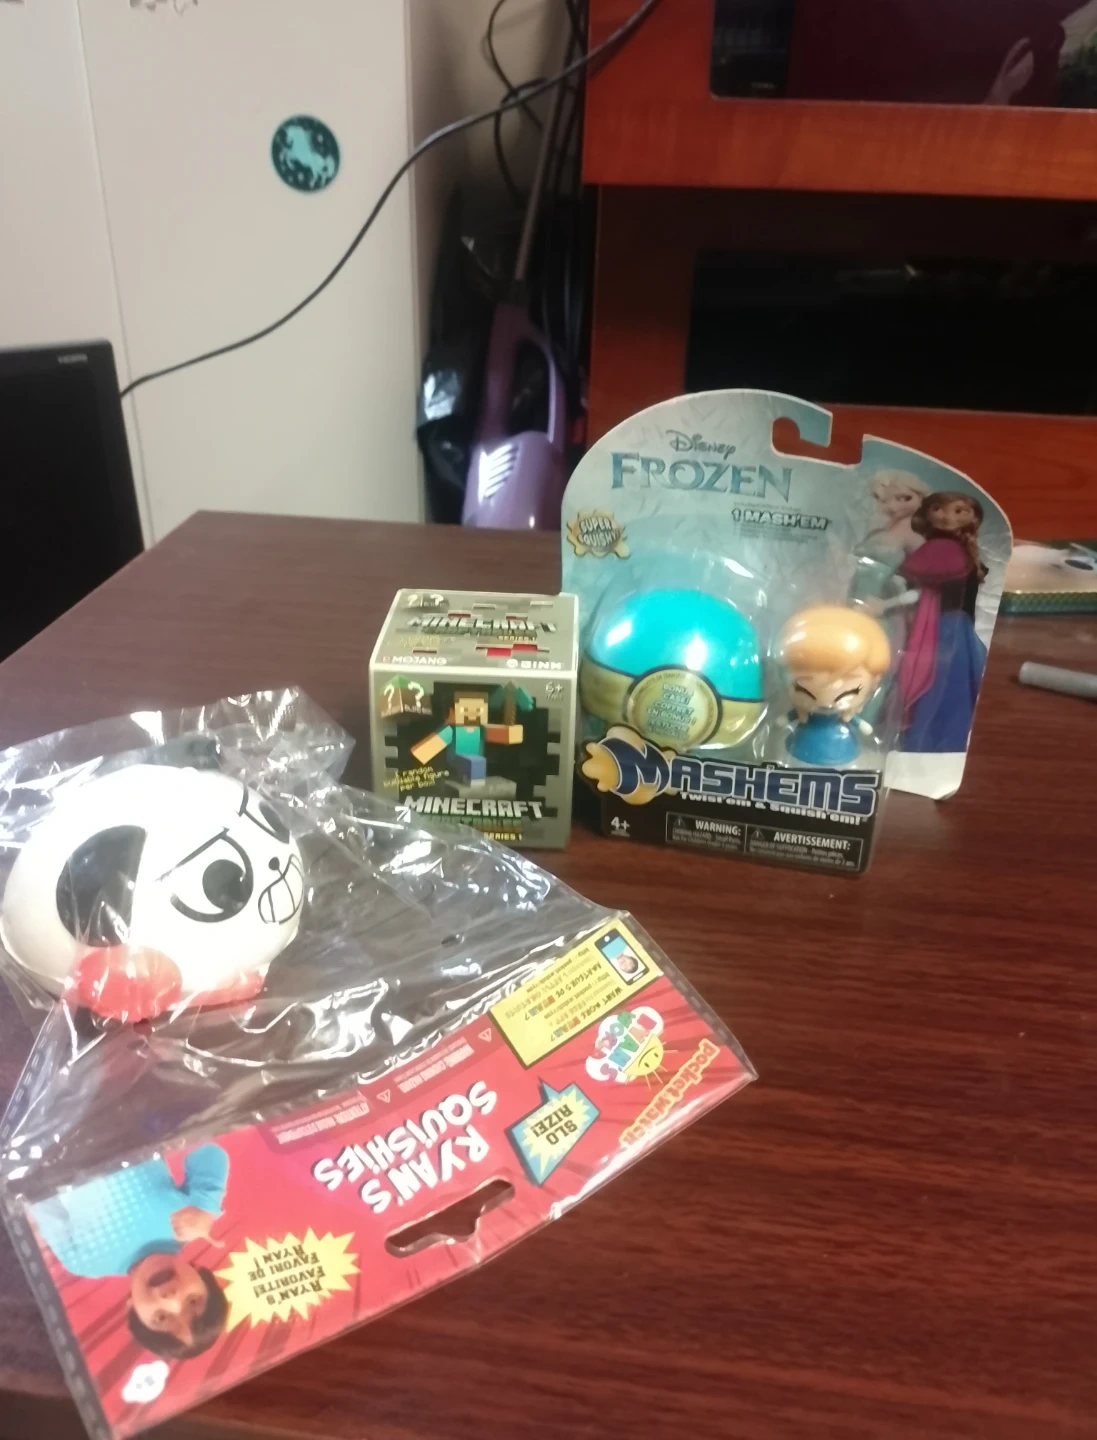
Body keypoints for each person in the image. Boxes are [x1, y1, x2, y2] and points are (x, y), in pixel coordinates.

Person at [32, 1143, 229, 1360]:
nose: (172, 1298)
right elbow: (208, 1150)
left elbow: (38, 1197)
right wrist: (205, 1206)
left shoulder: (86, 1262)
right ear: (201, 1275)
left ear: (132, 1309)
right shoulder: (189, 1220)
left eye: (161, 1317)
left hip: (52, 1146)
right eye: (193, 1301)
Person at [896, 492, 988, 753]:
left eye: (959, 511)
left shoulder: (951, 550)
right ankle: (935, 739)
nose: (948, 516)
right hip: (946, 626)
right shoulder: (940, 549)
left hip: (950, 627)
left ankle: (934, 739)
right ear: (927, 513)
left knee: (945, 683)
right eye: (939, 509)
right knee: (945, 683)